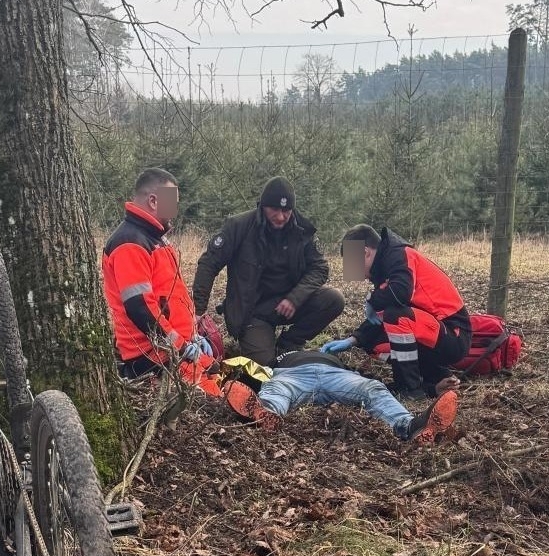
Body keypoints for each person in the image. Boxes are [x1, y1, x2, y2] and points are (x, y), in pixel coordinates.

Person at [192, 176, 346, 366]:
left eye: (286, 210)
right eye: (275, 209)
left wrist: (294, 298)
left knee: (334, 299)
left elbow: (319, 268)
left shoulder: (301, 229)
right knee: (265, 368)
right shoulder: (238, 226)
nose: (281, 217)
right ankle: (263, 344)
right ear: (263, 205)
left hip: (287, 304)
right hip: (252, 312)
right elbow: (209, 264)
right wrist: (198, 309)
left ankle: (289, 344)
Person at [102, 168, 220, 396]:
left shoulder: (154, 238)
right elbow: (141, 309)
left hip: (174, 350)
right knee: (217, 399)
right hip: (153, 357)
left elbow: (171, 295)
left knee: (222, 376)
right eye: (172, 202)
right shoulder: (130, 243)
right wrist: (182, 347)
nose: (175, 210)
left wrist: (193, 336)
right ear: (154, 201)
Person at [322, 225, 471, 400]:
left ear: (365, 252)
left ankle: (410, 390)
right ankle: (433, 380)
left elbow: (400, 294)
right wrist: (354, 339)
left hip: (453, 334)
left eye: (351, 261)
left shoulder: (399, 255)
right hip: (431, 334)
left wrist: (371, 299)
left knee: (395, 316)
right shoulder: (384, 267)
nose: (357, 274)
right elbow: (382, 314)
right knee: (373, 343)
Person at [222, 349, 459, 444]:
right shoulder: (279, 358)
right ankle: (265, 414)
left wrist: (431, 389)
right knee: (276, 391)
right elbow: (257, 376)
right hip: (291, 374)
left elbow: (383, 385)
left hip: (338, 374)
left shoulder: (335, 357)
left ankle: (411, 426)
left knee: (372, 388)